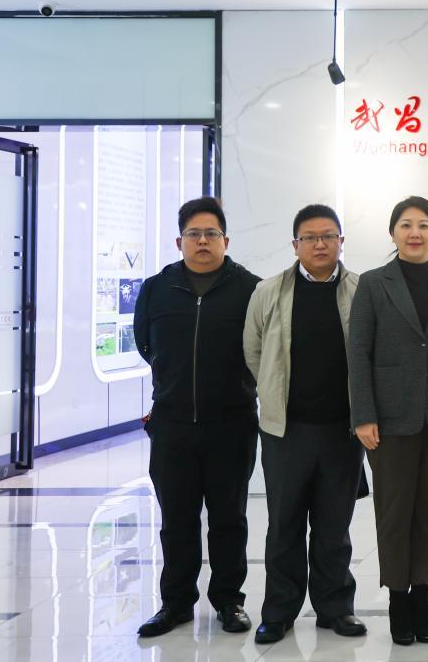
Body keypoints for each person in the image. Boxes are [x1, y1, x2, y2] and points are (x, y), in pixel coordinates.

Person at [132, 197, 261, 638]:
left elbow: (261, 349)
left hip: (231, 423)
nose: (202, 241)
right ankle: (175, 603)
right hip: (171, 425)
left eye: (211, 234)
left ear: (226, 240)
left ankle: (229, 601)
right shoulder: (156, 288)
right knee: (177, 520)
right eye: (193, 234)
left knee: (229, 518)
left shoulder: (250, 289)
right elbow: (146, 344)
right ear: (179, 241)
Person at [347, 196, 428, 645]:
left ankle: (422, 597)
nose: (414, 232)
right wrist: (363, 415)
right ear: (393, 232)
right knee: (395, 513)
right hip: (389, 422)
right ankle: (398, 601)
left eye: (423, 225)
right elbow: (358, 352)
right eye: (405, 224)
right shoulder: (373, 283)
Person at [243, 204, 366, 644]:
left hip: (342, 431)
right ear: (295, 245)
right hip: (286, 431)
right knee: (284, 525)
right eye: (310, 237)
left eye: (328, 236)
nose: (320, 244)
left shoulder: (361, 290)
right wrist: (273, 393)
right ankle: (279, 612)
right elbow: (253, 351)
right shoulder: (269, 291)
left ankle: (336, 609)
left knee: (334, 526)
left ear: (341, 242)